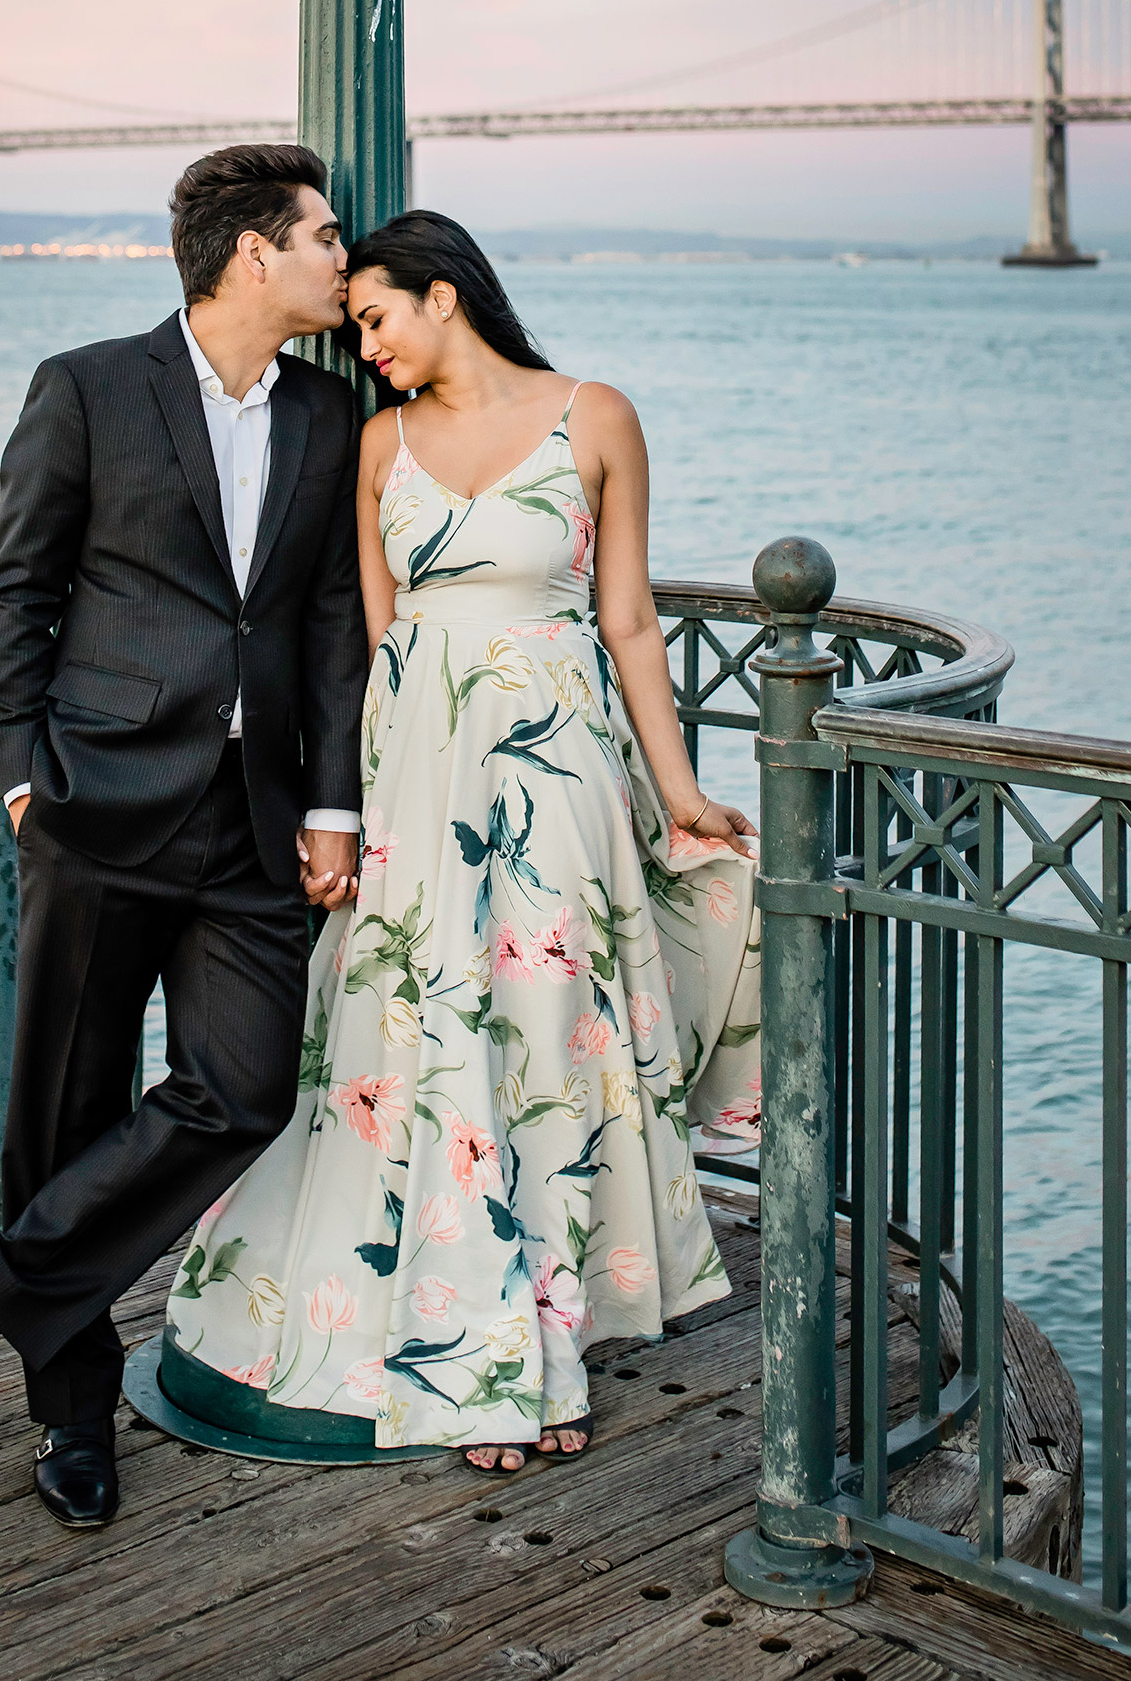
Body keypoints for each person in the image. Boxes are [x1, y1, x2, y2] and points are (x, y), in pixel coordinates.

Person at [167, 211, 762, 1471]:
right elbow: (364, 650)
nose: (363, 346)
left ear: (444, 296)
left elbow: (632, 624)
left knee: (545, 1042)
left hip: (559, 777)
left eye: (375, 318)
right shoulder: (377, 445)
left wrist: (680, 789)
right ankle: (479, 1362)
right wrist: (340, 808)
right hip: (420, 780)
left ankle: (545, 1342)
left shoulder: (593, 416)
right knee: (430, 1046)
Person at [0, 142, 370, 1526]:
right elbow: (20, 589)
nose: (346, 259)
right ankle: (73, 1419)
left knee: (244, 1085)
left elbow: (331, 625)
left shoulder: (329, 415)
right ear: (252, 255)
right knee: (68, 1113)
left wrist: (331, 800)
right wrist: (22, 777)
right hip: (96, 804)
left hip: (257, 824)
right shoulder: (92, 386)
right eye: (326, 237)